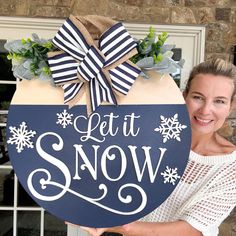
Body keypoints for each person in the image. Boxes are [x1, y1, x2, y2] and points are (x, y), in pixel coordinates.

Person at [75, 58, 236, 236]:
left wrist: (116, 226)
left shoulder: (231, 168)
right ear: (184, 96)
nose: (206, 110)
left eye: (219, 101)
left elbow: (191, 230)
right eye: (198, 97)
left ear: (231, 107)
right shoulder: (153, 137)